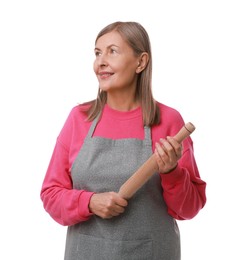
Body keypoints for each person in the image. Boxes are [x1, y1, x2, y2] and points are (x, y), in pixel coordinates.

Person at [40, 21, 206, 260]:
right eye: (97, 53)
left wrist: (172, 171)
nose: (101, 61)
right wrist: (89, 202)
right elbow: (51, 194)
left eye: (112, 51)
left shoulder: (169, 121)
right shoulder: (80, 119)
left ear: (141, 62)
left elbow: (189, 209)